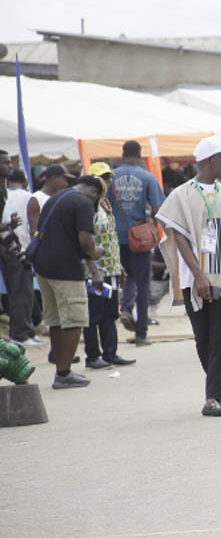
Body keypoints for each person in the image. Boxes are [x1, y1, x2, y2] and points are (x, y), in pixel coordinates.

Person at [156, 136, 221, 417]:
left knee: (220, 337)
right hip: (194, 277)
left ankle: (212, 398)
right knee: (202, 338)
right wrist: (199, 275)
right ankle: (216, 385)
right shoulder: (181, 195)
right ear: (210, 161)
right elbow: (179, 238)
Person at [33, 175, 105, 389]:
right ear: (93, 191)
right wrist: (95, 252)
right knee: (75, 319)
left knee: (55, 320)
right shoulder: (82, 203)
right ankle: (64, 373)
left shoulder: (55, 198)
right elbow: (85, 240)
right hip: (66, 269)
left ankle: (60, 368)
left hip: (44, 268)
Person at [111, 141, 165, 345]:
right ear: (140, 155)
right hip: (140, 238)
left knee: (124, 278)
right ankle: (141, 333)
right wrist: (155, 228)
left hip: (115, 237)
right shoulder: (147, 177)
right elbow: (158, 210)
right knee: (143, 283)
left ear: (122, 154)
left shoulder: (111, 177)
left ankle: (124, 309)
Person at [82, 163, 136, 369]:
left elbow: (110, 240)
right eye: (103, 178)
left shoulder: (105, 205)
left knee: (109, 313)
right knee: (94, 314)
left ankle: (110, 353)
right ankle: (93, 356)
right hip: (95, 271)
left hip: (110, 270)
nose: (108, 182)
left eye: (108, 178)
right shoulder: (88, 206)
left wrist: (118, 267)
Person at [0, 153, 41, 347]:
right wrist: (7, 226)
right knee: (20, 291)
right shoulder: (24, 196)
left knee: (23, 290)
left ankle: (25, 332)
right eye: (6, 162)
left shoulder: (5, 192)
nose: (10, 165)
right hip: (11, 244)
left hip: (12, 243)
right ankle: (20, 335)